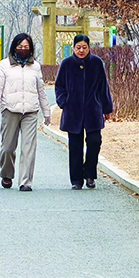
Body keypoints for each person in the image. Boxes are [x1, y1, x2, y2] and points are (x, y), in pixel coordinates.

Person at [0, 33, 51, 192]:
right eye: (20, 46)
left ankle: (25, 181)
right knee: (8, 147)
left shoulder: (35, 66)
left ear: (30, 49)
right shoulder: (4, 65)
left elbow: (41, 91)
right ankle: (6, 174)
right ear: (14, 47)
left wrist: (46, 112)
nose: (23, 49)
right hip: (10, 110)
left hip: (30, 111)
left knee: (28, 147)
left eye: (26, 47)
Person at [54, 34, 113, 190]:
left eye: (84, 47)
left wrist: (106, 108)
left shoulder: (97, 63)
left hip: (93, 110)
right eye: (78, 47)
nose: (81, 51)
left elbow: (103, 87)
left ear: (89, 48)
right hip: (72, 111)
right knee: (75, 146)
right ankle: (76, 180)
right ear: (73, 48)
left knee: (95, 141)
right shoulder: (66, 64)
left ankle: (90, 174)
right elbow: (59, 86)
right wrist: (63, 101)